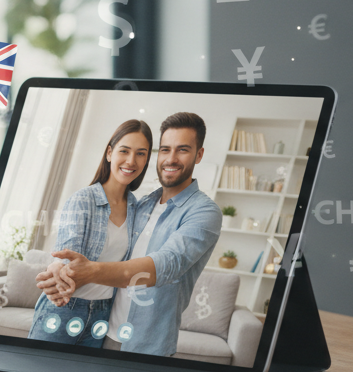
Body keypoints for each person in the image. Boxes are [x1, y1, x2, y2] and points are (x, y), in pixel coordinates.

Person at [36, 112, 222, 357]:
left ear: (199, 155)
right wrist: (58, 269)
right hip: (102, 328)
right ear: (110, 153)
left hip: (146, 342)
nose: (171, 158)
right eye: (165, 150)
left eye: (183, 150)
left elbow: (165, 264)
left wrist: (89, 271)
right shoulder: (141, 205)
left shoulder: (205, 212)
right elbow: (77, 251)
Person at [27, 120, 153, 347]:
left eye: (141, 154)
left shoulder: (137, 208)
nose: (131, 161)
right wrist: (56, 270)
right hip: (65, 307)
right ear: (109, 153)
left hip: (103, 314)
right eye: (124, 151)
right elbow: (66, 257)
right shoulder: (83, 200)